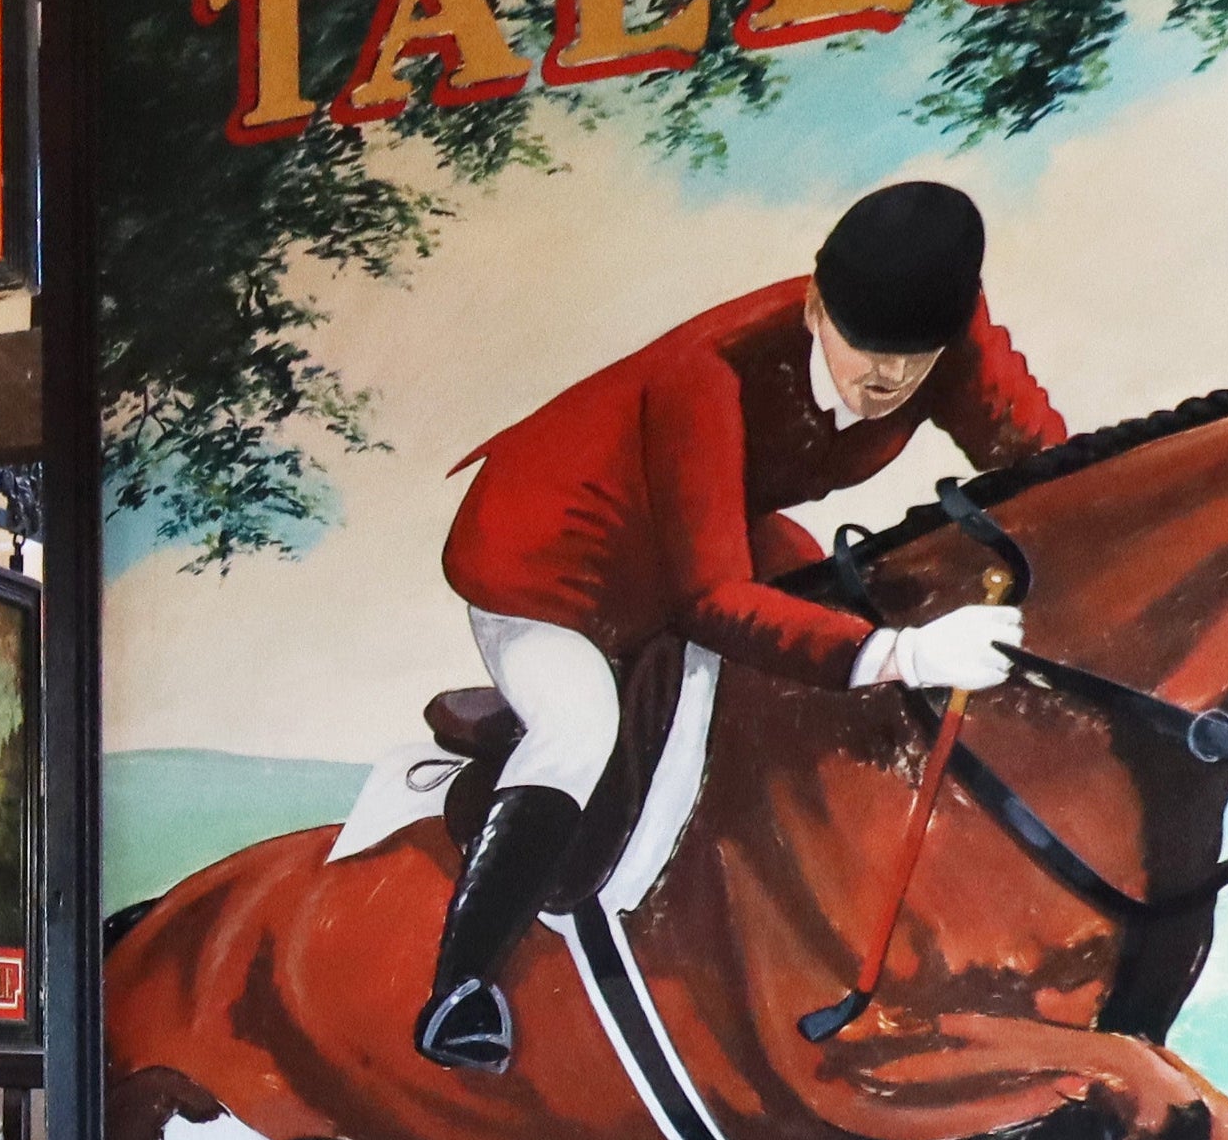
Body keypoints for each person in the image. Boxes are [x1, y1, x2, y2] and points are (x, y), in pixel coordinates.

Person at [415, 178, 1068, 1072]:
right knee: (580, 727)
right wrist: (904, 653)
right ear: (815, 306)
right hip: (551, 559)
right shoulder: (710, 372)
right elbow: (712, 601)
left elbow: (1044, 465)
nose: (888, 378)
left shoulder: (945, 331)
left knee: (848, 606)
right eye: (863, 347)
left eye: (914, 357)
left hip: (704, 523)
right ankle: (459, 990)